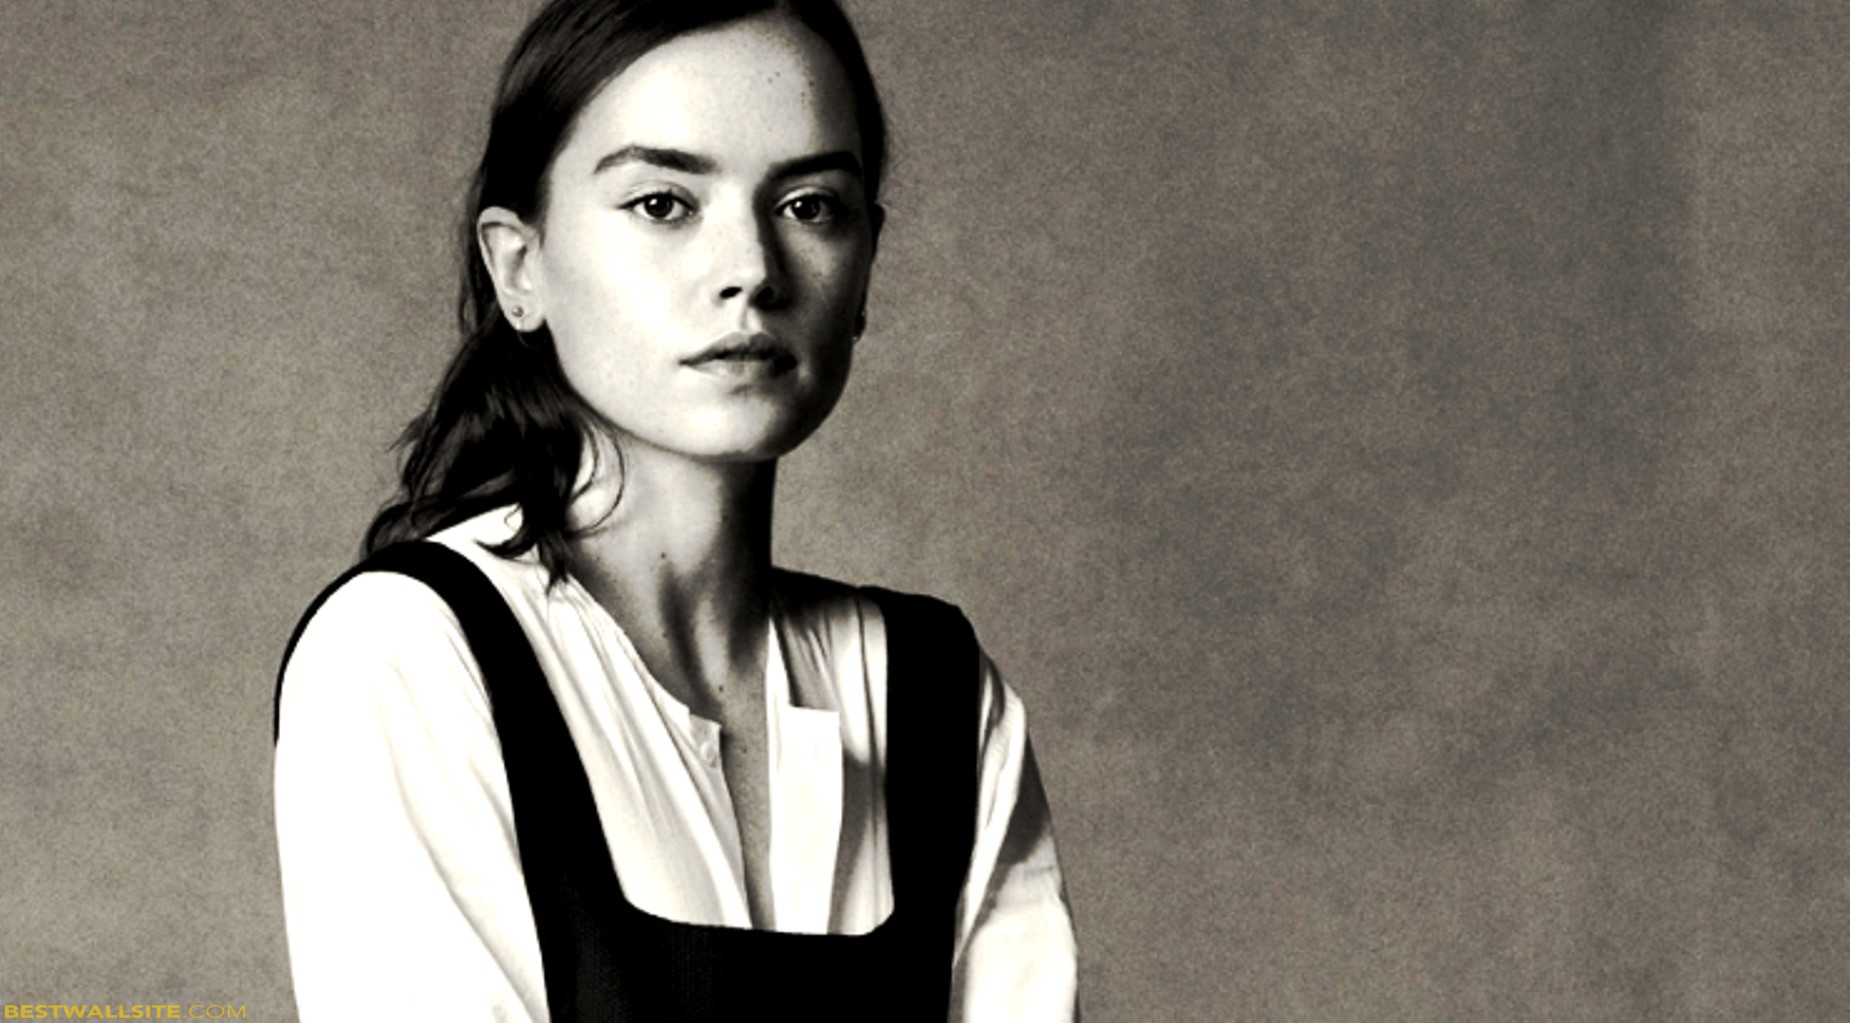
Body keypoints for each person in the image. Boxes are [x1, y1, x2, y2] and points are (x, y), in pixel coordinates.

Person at [271, 0, 1079, 1019]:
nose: (751, 272)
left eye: (809, 206)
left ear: (866, 264)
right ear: (519, 267)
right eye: (663, 204)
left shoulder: (939, 695)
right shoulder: (410, 650)